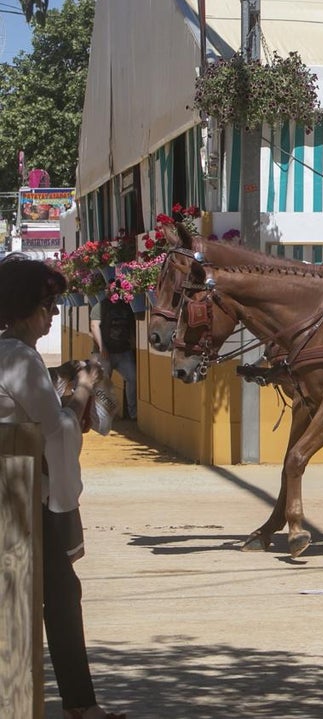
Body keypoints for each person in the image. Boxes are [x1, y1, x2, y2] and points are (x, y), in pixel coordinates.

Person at [0, 256, 126, 719]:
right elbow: (56, 430)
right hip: (24, 501)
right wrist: (83, 389)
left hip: (16, 492)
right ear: (26, 308)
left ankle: (80, 703)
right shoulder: (19, 357)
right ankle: (79, 705)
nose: (53, 315)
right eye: (48, 306)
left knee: (54, 593)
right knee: (58, 596)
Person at [89, 297, 136, 421]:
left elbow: (132, 325)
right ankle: (100, 414)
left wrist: (133, 343)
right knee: (101, 383)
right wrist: (101, 347)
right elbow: (94, 326)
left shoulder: (127, 306)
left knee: (133, 378)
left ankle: (133, 413)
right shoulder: (99, 307)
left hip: (123, 351)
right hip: (105, 353)